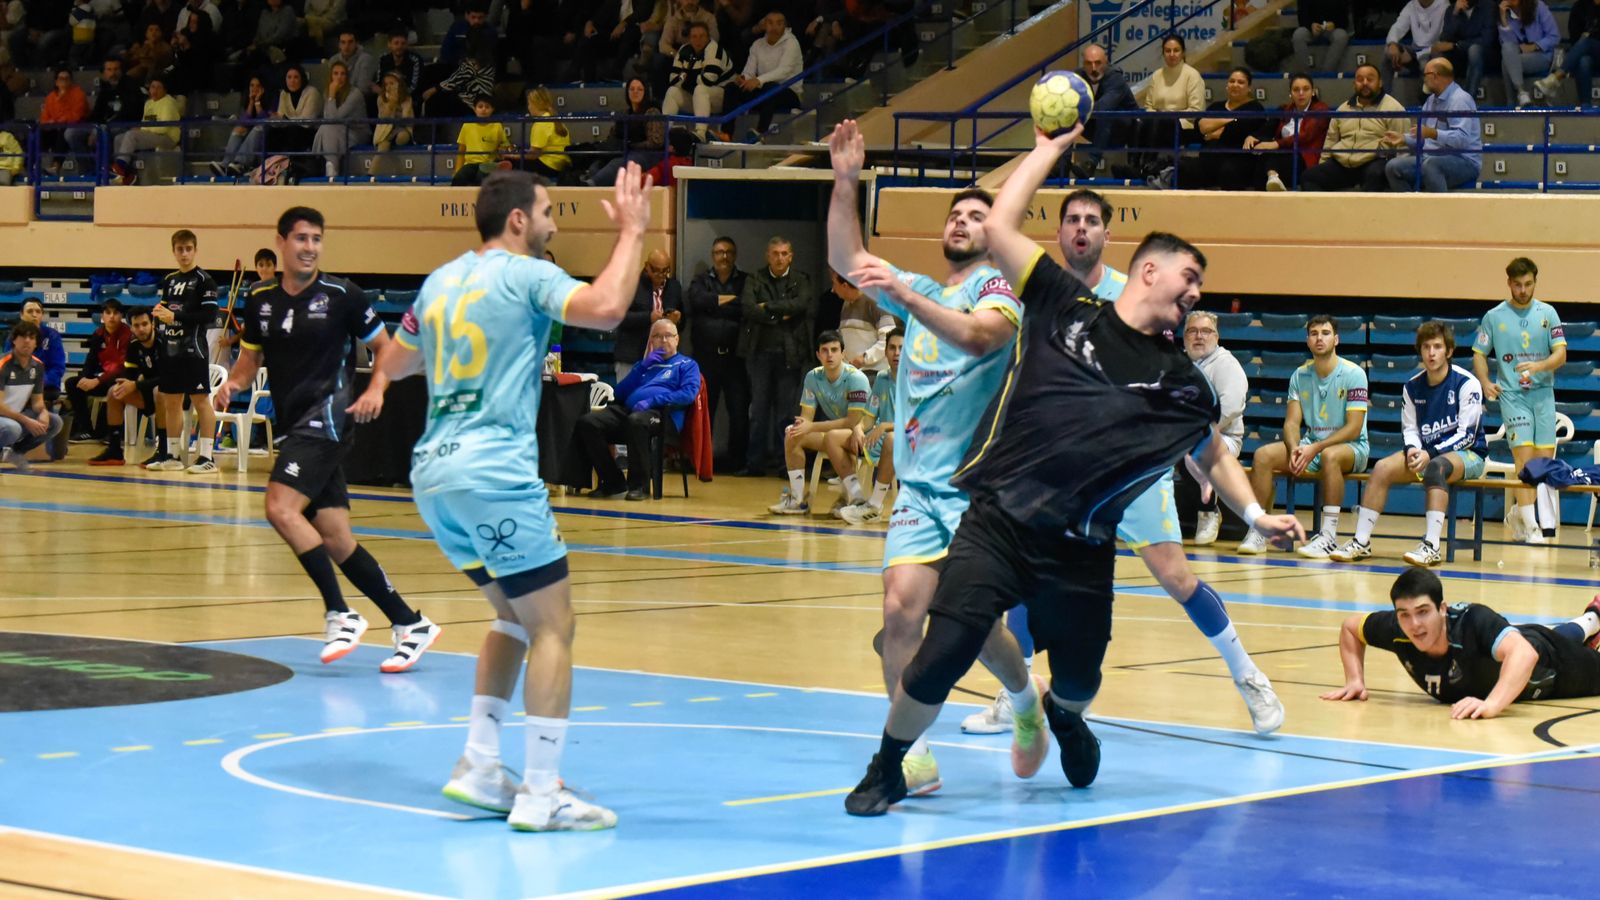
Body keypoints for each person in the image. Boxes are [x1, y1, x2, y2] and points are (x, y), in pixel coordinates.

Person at [841, 122, 1304, 816]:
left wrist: (1258, 514)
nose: (1197, 294)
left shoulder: (1182, 379)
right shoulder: (1062, 302)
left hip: (1081, 548)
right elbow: (999, 224)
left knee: (1082, 678)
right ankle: (887, 766)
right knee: (943, 648)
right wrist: (1048, 149)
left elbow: (1211, 451)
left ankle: (1062, 711)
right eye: (1190, 278)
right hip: (997, 521)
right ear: (1150, 271)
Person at [372, 166, 655, 831]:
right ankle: (540, 790)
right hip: (495, 473)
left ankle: (477, 764)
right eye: (551, 212)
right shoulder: (527, 275)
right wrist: (636, 230)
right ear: (520, 219)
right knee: (555, 624)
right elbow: (607, 308)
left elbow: (397, 363)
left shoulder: (441, 281)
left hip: (435, 478)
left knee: (512, 617)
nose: (556, 224)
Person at [970, 189, 1282, 738]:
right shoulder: (1038, 294)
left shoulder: (1136, 296)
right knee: (1023, 581)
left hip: (1132, 471)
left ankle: (1249, 676)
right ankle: (1014, 694)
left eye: (1093, 220)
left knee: (1175, 574)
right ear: (1061, 233)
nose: (1082, 228)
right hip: (1058, 477)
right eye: (1073, 220)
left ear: (1109, 236)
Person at [828, 126, 1039, 796]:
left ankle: (1025, 697)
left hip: (978, 494)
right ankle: (908, 752)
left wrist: (909, 300)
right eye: (955, 213)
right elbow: (845, 253)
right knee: (899, 611)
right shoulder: (918, 283)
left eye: (977, 215)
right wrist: (844, 180)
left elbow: (982, 341)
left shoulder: (1001, 289)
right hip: (919, 491)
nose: (961, 220)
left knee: (974, 629)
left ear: (995, 231)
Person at [217, 206, 439, 671]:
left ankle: (340, 612)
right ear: (281, 242)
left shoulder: (344, 295)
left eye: (317, 239)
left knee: (279, 507)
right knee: (336, 538)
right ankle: (410, 622)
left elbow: (387, 350)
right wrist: (233, 386)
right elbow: (249, 361)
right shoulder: (259, 299)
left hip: (330, 419)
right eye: (301, 238)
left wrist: (377, 388)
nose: (310, 247)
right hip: (294, 423)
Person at [1322, 568, 1600, 718]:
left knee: (1546, 643)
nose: (1415, 625)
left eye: (1423, 612)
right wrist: (1354, 680)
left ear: (1442, 609)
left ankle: (1592, 621)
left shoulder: (1473, 620)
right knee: (1539, 636)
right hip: (1515, 641)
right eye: (1404, 615)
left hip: (1549, 666)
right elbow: (1350, 628)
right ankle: (1593, 617)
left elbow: (1524, 655)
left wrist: (1491, 705)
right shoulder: (1398, 629)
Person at [1330, 321, 1486, 566]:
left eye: (1437, 347)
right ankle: (1361, 542)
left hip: (1467, 455)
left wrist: (1430, 453)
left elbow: (1467, 435)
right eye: (1426, 347)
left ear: (1449, 351)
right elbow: (1411, 429)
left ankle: (1432, 545)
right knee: (1382, 467)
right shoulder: (1412, 387)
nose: (1431, 353)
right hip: (1426, 452)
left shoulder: (1467, 383)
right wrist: (1413, 449)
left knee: (1436, 468)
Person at [1238, 315, 1369, 558]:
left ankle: (1328, 536)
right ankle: (1258, 530)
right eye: (1314, 333)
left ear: (1336, 339)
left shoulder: (1354, 374)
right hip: (1312, 444)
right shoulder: (1299, 375)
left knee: (1330, 455)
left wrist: (1315, 448)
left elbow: (1353, 428)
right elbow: (1291, 422)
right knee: (1263, 455)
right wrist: (1295, 447)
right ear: (1308, 341)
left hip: (1351, 447)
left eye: (1326, 333)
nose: (1320, 338)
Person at [1473, 256, 1565, 544]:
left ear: (1535, 282)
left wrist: (1539, 367)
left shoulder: (1548, 313)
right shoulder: (1494, 316)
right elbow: (1479, 353)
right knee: (1523, 460)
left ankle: (1517, 513)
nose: (1523, 290)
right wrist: (1486, 382)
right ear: (1509, 284)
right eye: (1517, 285)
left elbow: (1561, 354)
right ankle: (1531, 526)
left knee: (1543, 461)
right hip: (1512, 396)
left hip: (1543, 395)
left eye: (1528, 284)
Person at [576, 318, 701, 500]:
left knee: (637, 421)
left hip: (663, 416)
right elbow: (619, 393)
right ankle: (613, 481)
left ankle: (639, 486)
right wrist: (641, 367)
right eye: (657, 336)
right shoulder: (644, 365)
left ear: (677, 339)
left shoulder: (687, 365)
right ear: (651, 341)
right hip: (630, 411)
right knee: (588, 422)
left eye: (668, 336)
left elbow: (688, 394)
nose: (663, 340)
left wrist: (653, 400)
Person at [768, 330, 871, 515]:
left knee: (832, 437)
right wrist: (802, 427)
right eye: (825, 350)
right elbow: (805, 418)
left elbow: (853, 421)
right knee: (792, 433)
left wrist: (812, 426)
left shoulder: (856, 378)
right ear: (818, 354)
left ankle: (857, 498)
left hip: (866, 433)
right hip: (839, 433)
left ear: (843, 353)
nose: (829, 355)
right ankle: (798, 500)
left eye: (834, 350)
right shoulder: (813, 377)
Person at [143, 229, 219, 473]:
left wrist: (174, 315)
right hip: (171, 350)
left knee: (200, 401)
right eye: (180, 249)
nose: (184, 253)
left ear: (195, 250)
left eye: (188, 249)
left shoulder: (204, 280)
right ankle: (173, 455)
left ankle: (207, 457)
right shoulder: (170, 280)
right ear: (173, 251)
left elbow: (209, 316)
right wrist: (160, 314)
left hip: (194, 350)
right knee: (171, 401)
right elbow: (165, 309)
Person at [738, 235, 812, 476]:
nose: (780, 258)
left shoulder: (801, 280)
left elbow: (800, 304)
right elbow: (748, 308)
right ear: (767, 256)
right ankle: (754, 464)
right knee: (758, 411)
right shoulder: (755, 278)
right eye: (775, 254)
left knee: (785, 414)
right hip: (758, 354)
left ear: (791, 256)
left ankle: (785, 464)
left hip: (789, 355)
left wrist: (767, 307)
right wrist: (780, 314)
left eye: (784, 254)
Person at [1182, 311, 1249, 546]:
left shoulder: (1226, 364)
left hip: (1224, 438)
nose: (1199, 337)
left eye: (1205, 331)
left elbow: (1230, 408)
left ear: (1217, 336)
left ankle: (1209, 512)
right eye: (1193, 331)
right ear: (1184, 336)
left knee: (1195, 446)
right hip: (1182, 435)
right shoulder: (1179, 363)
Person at [1301, 63, 1408, 192]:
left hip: (1374, 161)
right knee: (1309, 177)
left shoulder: (1394, 108)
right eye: (1360, 79)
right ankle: (1325, 212)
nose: (1365, 83)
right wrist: (1323, 164)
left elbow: (1403, 145)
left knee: (1376, 175)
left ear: (1380, 83)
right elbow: (1330, 141)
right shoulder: (1343, 109)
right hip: (1342, 162)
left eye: (1370, 79)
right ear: (1354, 84)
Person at [1383, 57, 1480, 193]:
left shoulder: (1460, 100)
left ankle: (1439, 211)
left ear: (1435, 76)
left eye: (1425, 75)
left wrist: (1432, 133)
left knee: (1431, 165)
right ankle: (1411, 209)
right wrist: (1403, 138)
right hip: (1430, 157)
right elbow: (1423, 135)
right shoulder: (1430, 101)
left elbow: (1461, 140)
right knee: (1393, 167)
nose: (1424, 79)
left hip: (1463, 161)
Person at [838, 326, 901, 525]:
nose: (896, 353)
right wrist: (857, 428)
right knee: (834, 437)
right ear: (885, 352)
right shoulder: (882, 378)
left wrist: (885, 427)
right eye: (892, 348)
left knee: (891, 438)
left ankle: (874, 505)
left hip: (914, 441)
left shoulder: (918, 380)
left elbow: (917, 422)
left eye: (901, 348)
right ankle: (856, 498)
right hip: (878, 439)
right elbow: (869, 417)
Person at [88, 305, 160, 466]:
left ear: (152, 324)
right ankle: (114, 450)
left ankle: (163, 450)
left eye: (144, 324)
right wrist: (126, 384)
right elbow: (130, 374)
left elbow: (168, 378)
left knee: (160, 391)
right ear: (131, 327)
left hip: (172, 397)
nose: (141, 329)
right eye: (136, 325)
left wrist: (136, 385)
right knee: (114, 392)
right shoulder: (134, 346)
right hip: (147, 393)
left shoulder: (164, 342)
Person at [1125, 34, 1203, 181]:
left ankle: (1147, 164)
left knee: (1159, 119)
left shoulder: (1192, 75)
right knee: (1138, 121)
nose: (1172, 54)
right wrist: (1156, 115)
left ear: (1183, 52)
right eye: (1168, 51)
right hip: (1158, 124)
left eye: (1176, 50)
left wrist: (1169, 114)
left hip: (1183, 126)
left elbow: (1196, 110)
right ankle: (1133, 164)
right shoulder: (1157, 75)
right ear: (1163, 53)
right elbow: (1149, 106)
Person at [1183, 67, 1270, 191]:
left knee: (1229, 171)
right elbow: (1202, 127)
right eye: (1232, 81)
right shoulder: (1216, 106)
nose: (1235, 85)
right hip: (1210, 158)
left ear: (1249, 87)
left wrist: (1216, 129)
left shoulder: (1255, 108)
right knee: (1184, 169)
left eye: (1240, 82)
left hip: (1239, 160)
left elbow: (1235, 132)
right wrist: (1232, 119)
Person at [718, 11, 801, 141]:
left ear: (784, 26)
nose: (774, 27)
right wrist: (744, 78)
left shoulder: (792, 43)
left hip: (789, 93)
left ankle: (761, 132)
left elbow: (784, 71)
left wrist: (758, 80)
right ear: (764, 25)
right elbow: (749, 71)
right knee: (731, 88)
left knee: (771, 87)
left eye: (779, 23)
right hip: (765, 92)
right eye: (770, 23)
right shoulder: (757, 44)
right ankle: (726, 134)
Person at [0, 322, 64, 472]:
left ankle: (15, 452)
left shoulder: (38, 366)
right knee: (13, 428)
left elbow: (37, 402)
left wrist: (42, 413)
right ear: (14, 340)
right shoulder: (3, 365)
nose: (27, 340)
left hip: (14, 416)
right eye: (23, 337)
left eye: (31, 337)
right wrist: (26, 420)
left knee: (54, 422)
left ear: (36, 343)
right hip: (5, 417)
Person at [1248, 73, 1329, 191]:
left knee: (1269, 159)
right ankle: (1265, 192)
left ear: (1313, 92)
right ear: (1290, 93)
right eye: (1296, 89)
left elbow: (1305, 136)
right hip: (1282, 155)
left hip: (1304, 157)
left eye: (1305, 89)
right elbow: (1268, 127)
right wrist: (1253, 136)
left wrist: (1276, 144)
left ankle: (1272, 178)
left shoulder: (1321, 109)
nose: (1301, 93)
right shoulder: (1285, 109)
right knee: (1260, 160)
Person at [66, 298, 130, 443]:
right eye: (108, 312)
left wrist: (97, 380)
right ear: (102, 316)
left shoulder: (127, 335)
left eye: (116, 313)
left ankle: (111, 431)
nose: (112, 316)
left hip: (120, 379)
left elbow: (122, 367)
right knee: (72, 383)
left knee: (113, 387)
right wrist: (84, 378)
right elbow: (91, 359)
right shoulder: (98, 334)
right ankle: (86, 430)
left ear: (122, 316)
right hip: (102, 378)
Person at [615, 250, 683, 382]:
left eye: (665, 271)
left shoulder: (674, 287)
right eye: (656, 270)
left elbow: (683, 320)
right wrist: (648, 317)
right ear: (647, 266)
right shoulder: (631, 285)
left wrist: (677, 319)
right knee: (627, 398)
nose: (661, 275)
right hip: (632, 356)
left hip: (663, 358)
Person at [586, 76, 664, 187]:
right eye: (632, 89)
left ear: (645, 92)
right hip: (625, 151)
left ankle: (590, 184)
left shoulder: (652, 111)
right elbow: (612, 135)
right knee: (597, 165)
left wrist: (631, 145)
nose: (635, 92)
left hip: (648, 154)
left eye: (639, 89)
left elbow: (656, 142)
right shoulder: (624, 114)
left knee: (620, 163)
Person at [1073, 43, 1137, 176]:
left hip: (1124, 129)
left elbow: (1103, 107)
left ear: (1106, 62)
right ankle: (1061, 165)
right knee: (1063, 115)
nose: (1094, 68)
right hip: (1096, 126)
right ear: (1083, 64)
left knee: (1105, 113)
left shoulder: (1115, 78)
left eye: (1098, 63)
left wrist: (1078, 107)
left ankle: (1091, 163)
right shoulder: (1077, 77)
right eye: (1089, 64)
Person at [661, 21, 732, 139]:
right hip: (698, 98)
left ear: (708, 37)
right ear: (689, 38)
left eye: (702, 36)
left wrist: (685, 76)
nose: (698, 40)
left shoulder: (715, 49)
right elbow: (673, 80)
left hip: (721, 97)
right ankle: (663, 133)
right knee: (672, 91)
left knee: (701, 89)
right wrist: (692, 77)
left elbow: (708, 80)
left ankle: (700, 133)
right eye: (694, 36)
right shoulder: (684, 50)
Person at [309, 61, 370, 179]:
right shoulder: (328, 92)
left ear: (347, 77)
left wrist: (332, 95)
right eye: (335, 74)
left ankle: (332, 167)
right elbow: (328, 118)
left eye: (343, 74)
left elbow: (334, 118)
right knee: (326, 128)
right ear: (331, 76)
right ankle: (331, 165)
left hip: (357, 132)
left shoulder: (355, 94)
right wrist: (331, 95)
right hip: (337, 130)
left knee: (327, 128)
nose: (339, 78)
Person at [1533, 0, 1600, 106]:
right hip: (1586, 53)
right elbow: (1574, 37)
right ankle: (1585, 106)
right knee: (1583, 61)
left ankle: (1556, 77)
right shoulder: (1579, 6)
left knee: (1588, 41)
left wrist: (1590, 35)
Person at [1496, 0, 1558, 108]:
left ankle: (1512, 103)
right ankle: (1521, 93)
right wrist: (1504, 21)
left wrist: (1535, 46)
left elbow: (1554, 36)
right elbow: (1508, 45)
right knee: (1507, 52)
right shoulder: (1505, 13)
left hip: (1543, 55)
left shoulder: (1538, 6)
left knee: (1506, 62)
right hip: (1518, 57)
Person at [1383, 0, 1448, 91]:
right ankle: (1384, 99)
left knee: (1434, 59)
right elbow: (1398, 27)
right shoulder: (1411, 5)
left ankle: (1429, 100)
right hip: (1414, 51)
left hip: (1434, 51)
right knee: (1389, 51)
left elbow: (1444, 41)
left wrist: (1422, 54)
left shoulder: (1444, 6)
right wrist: (1392, 43)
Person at [452, 94, 513, 187]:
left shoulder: (497, 126)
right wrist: (457, 170)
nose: (483, 109)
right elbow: (461, 150)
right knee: (459, 178)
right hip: (470, 164)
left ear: (492, 109)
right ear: (475, 109)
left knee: (481, 178)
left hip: (488, 164)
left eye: (487, 107)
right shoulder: (467, 126)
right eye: (480, 106)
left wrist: (503, 149)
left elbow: (505, 145)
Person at [517, 86, 571, 180]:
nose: (528, 107)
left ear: (535, 104)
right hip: (562, 163)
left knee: (512, 162)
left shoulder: (541, 123)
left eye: (529, 104)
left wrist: (510, 155)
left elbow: (533, 155)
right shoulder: (554, 118)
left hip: (549, 166)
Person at [1291, 1, 1351, 71]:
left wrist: (1334, 24)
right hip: (1311, 28)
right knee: (1298, 35)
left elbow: (1345, 19)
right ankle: (1307, 73)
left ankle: (1326, 72)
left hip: (1332, 29)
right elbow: (1301, 15)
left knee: (1341, 36)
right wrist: (1311, 25)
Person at [373, 71, 414, 152]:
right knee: (383, 146)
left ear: (399, 84)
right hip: (386, 130)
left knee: (401, 138)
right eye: (386, 84)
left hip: (403, 128)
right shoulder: (381, 99)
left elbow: (406, 121)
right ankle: (375, 164)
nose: (388, 87)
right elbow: (384, 118)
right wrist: (392, 104)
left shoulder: (407, 99)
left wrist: (403, 106)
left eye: (392, 83)